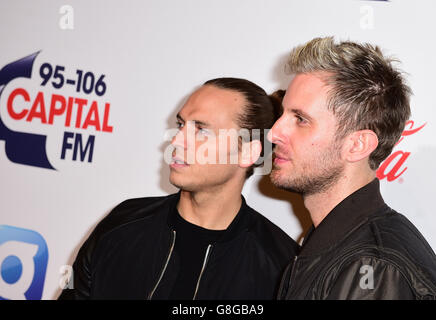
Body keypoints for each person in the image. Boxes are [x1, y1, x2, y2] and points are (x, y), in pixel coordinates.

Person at [58, 77, 299, 300]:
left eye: (201, 130)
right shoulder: (122, 224)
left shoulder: (281, 267)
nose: (176, 141)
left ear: (248, 152)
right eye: (181, 125)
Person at [268, 37, 436, 299]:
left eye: (300, 119)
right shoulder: (339, 245)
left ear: (358, 145)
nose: (274, 133)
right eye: (282, 114)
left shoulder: (372, 268)